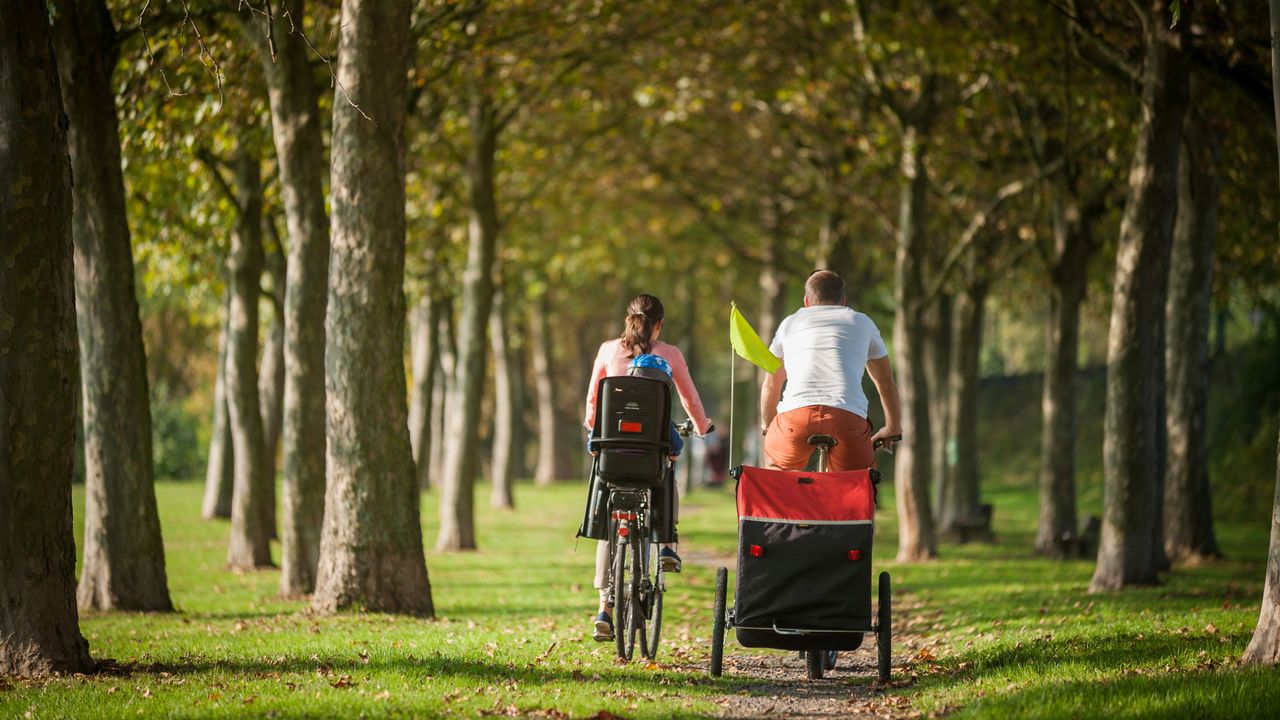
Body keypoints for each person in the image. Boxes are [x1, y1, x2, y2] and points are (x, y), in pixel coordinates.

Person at [583, 293, 714, 642]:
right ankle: (667, 544)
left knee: (610, 507)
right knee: (667, 464)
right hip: (652, 447)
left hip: (611, 446)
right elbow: (688, 398)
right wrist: (701, 427)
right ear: (659, 324)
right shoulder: (669, 354)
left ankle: (604, 609)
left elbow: (594, 399)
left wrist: (593, 426)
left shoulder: (608, 349)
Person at [760, 270, 902, 472]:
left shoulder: (789, 323)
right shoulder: (862, 322)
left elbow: (771, 383)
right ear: (843, 301)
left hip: (796, 417)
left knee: (778, 480)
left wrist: (768, 426)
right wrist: (892, 428)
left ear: (806, 302)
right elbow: (887, 384)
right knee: (854, 486)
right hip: (847, 417)